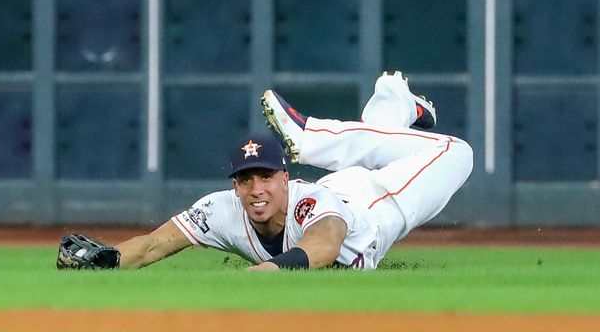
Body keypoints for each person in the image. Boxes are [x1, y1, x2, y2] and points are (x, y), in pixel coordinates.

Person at [112, 71, 473, 270]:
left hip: (379, 201)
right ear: (234, 186)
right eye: (246, 179)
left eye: (266, 177)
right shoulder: (222, 210)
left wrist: (262, 275)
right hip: (343, 181)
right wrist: (105, 260)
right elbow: (151, 246)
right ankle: (398, 101)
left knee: (457, 151)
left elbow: (325, 245)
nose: (257, 189)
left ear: (285, 179)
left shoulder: (310, 203)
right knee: (378, 138)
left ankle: (311, 135)